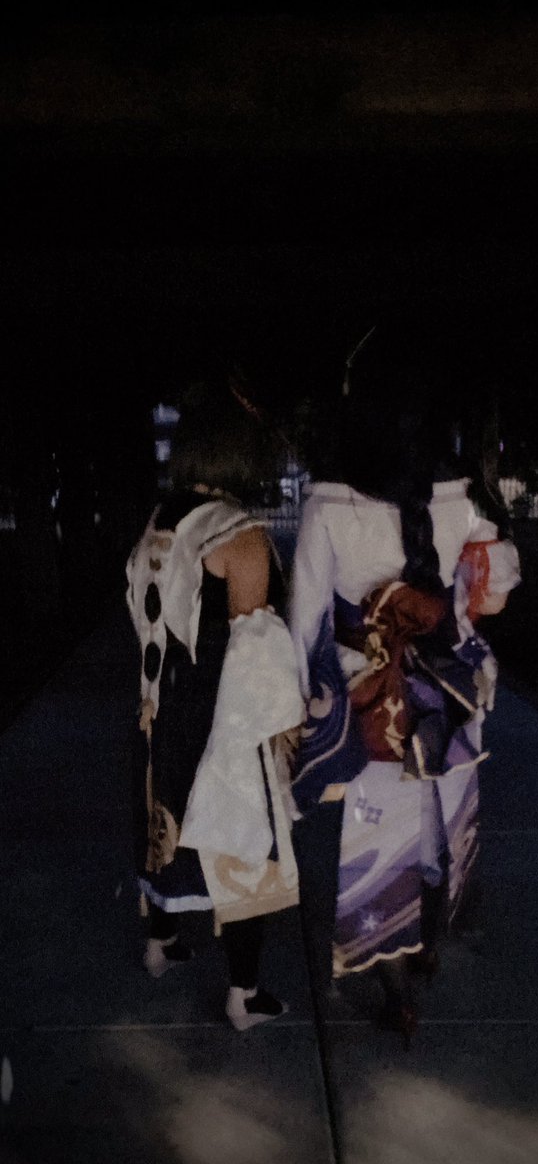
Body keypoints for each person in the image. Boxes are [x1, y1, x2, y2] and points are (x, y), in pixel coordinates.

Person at [288, 310, 521, 1046]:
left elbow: (304, 624)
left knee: (377, 836)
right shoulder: (466, 499)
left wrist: (298, 706)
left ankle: (392, 986)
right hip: (445, 693)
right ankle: (428, 947)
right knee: (438, 824)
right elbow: (487, 596)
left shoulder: (328, 502)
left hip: (369, 698)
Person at [125, 374, 305, 1031]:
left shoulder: (162, 518)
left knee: (163, 826)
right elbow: (255, 656)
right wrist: (286, 726)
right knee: (241, 841)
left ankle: (161, 943)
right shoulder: (237, 532)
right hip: (217, 714)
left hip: (159, 708)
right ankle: (244, 995)